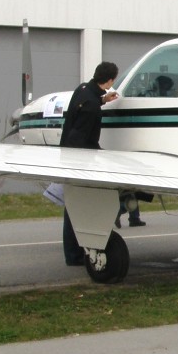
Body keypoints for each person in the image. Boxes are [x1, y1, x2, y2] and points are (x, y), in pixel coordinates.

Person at [60, 62, 120, 265]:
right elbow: (83, 138)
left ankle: (74, 253)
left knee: (73, 206)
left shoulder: (83, 89)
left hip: (67, 153)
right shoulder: (92, 107)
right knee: (76, 207)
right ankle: (74, 256)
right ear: (110, 80)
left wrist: (104, 99)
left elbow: (89, 103)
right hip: (78, 160)